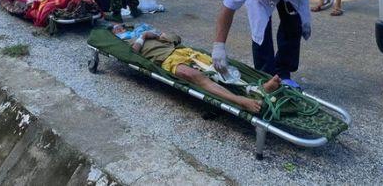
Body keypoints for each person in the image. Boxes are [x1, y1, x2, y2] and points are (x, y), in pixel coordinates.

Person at [111, 24, 282, 114]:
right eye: (116, 29)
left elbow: (176, 38)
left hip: (181, 51)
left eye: (121, 26)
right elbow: (130, 55)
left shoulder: (143, 29)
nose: (120, 28)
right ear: (116, 34)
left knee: (220, 69)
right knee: (193, 75)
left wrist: (155, 35)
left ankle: (257, 89)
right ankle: (239, 100)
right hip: (166, 59)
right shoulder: (126, 41)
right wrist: (142, 37)